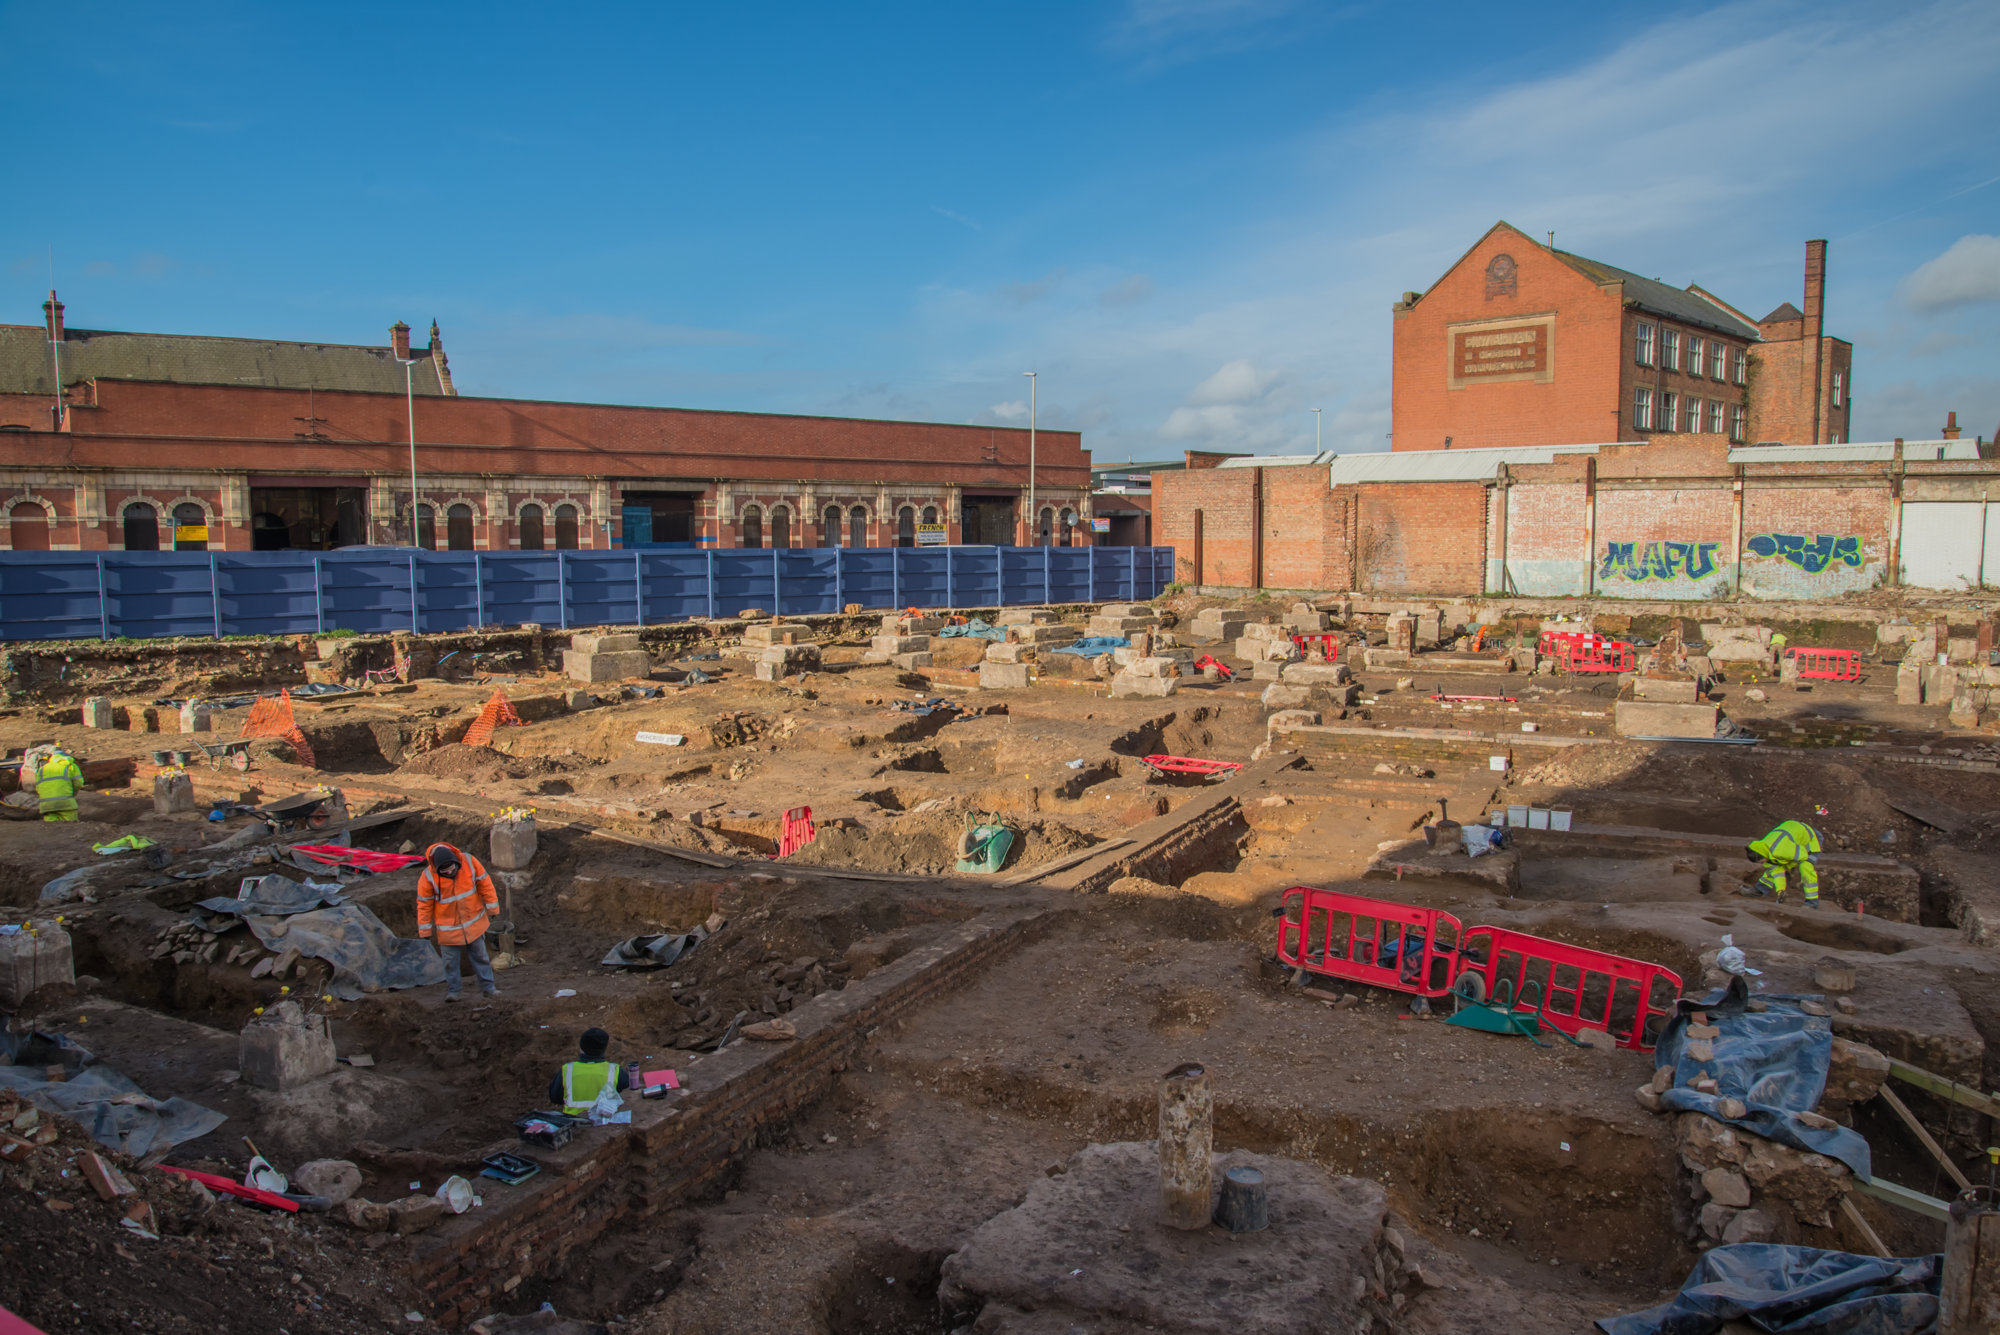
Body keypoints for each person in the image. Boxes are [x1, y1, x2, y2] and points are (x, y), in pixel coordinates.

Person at [416, 842, 500, 1000]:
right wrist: (425, 930)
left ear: (456, 862)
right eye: (444, 871)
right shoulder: (427, 877)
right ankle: (454, 992)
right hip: (448, 930)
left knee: (481, 957)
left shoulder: (469, 862)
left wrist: (492, 907)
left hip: (473, 923)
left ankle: (489, 988)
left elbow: (485, 884)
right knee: (450, 963)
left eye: (451, 868)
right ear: (437, 868)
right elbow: (424, 905)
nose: (449, 872)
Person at [1741, 820, 1822, 909]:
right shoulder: (1763, 847)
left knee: (1806, 868)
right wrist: (1781, 891)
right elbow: (1777, 871)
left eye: (1761, 861)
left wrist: (1788, 867)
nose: (1762, 863)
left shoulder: (1781, 850)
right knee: (1772, 867)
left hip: (1811, 840)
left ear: (1763, 855)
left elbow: (1803, 855)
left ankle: (1812, 903)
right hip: (1794, 837)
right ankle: (1759, 890)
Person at [548, 1027, 630, 1115]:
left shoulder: (567, 1070)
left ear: (581, 1047)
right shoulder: (615, 1070)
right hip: (604, 1123)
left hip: (572, 1123)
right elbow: (628, 1096)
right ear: (604, 1049)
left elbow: (555, 1098)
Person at [27, 745, 84, 822]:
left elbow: (38, 786)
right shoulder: (70, 765)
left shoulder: (42, 769)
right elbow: (78, 783)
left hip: (47, 806)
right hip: (66, 804)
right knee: (71, 827)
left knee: (51, 829)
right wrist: (72, 793)